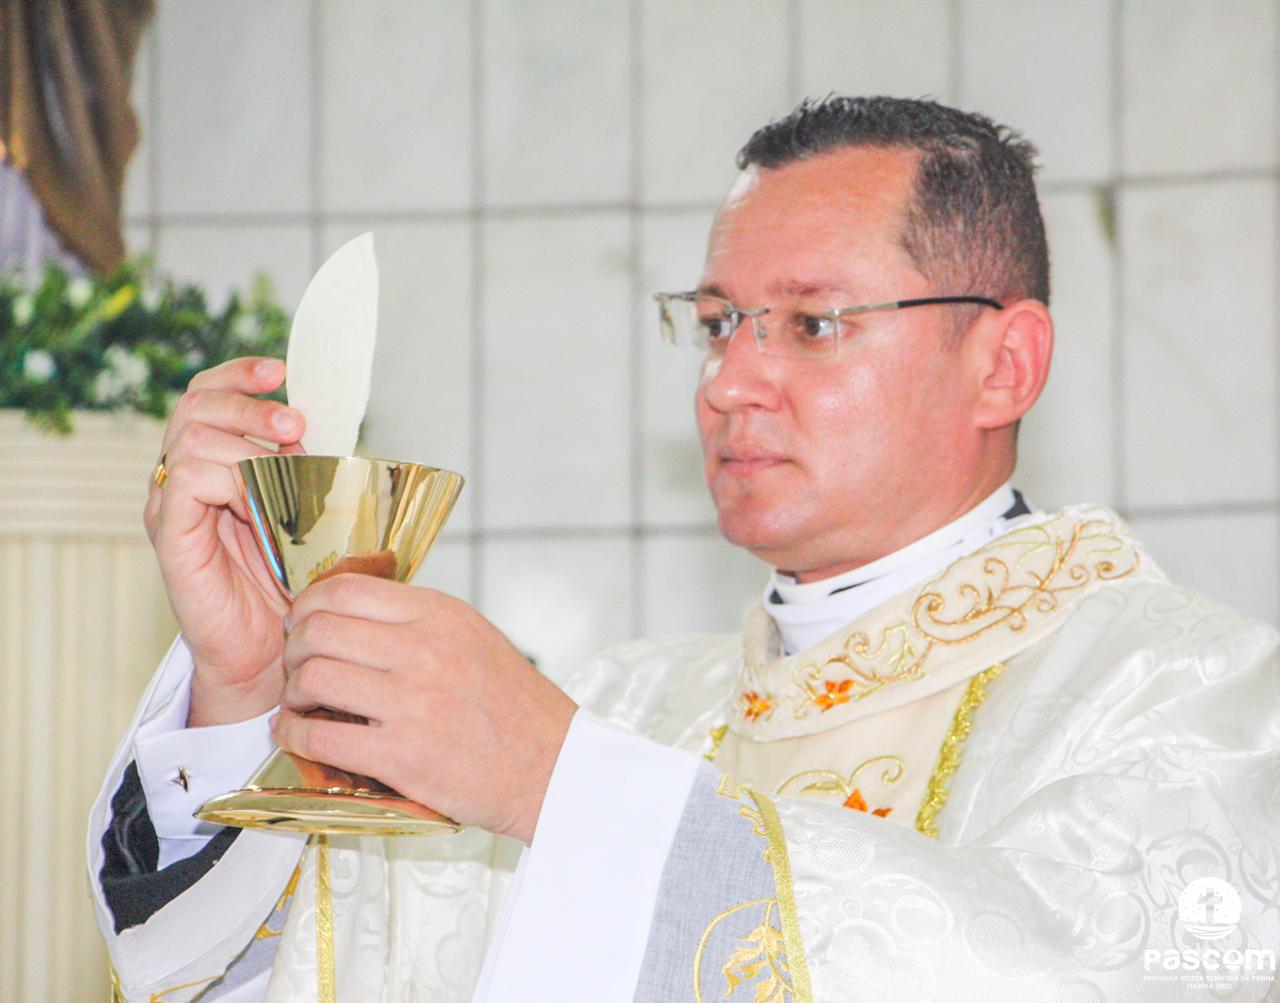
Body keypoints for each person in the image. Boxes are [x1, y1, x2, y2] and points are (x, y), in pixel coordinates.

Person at [89, 96, 1280, 1002]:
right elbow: (301, 968)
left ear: (1002, 365)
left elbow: (1083, 972)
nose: (728, 381)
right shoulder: (626, 706)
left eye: (812, 322)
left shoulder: (1192, 700)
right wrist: (246, 687)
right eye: (716, 324)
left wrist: (561, 785)